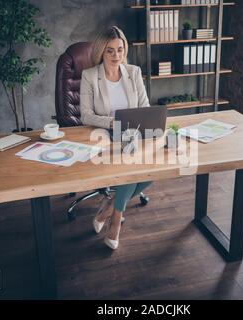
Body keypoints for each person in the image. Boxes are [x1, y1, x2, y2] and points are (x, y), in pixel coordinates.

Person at [80, 26, 151, 250]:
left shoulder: (134, 72)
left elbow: (145, 106)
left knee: (151, 173)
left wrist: (136, 124)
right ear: (102, 52)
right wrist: (112, 122)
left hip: (135, 132)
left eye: (120, 50)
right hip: (106, 134)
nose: (116, 56)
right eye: (110, 51)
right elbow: (86, 115)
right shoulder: (90, 76)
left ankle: (109, 206)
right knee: (130, 168)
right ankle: (116, 221)